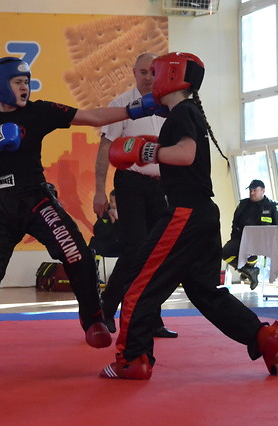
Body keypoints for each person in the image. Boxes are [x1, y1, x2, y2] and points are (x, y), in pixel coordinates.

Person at [0, 56, 165, 374]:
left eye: (27, 82)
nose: (25, 87)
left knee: (77, 253)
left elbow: (92, 116)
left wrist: (134, 110)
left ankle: (93, 319)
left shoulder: (39, 111)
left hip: (36, 199)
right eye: (18, 82)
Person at [98, 52, 278, 380]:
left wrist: (146, 151)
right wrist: (151, 151)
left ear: (171, 76)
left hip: (185, 212)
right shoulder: (188, 112)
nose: (152, 79)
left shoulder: (182, 112)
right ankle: (264, 337)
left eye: (156, 72)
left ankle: (133, 358)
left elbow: (185, 155)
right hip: (203, 214)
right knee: (204, 291)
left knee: (140, 283)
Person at [93, 52, 177, 339]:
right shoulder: (122, 105)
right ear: (134, 73)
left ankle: (151, 318)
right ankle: (106, 309)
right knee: (134, 251)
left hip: (160, 186)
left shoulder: (168, 107)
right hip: (129, 183)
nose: (148, 78)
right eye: (143, 72)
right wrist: (99, 191)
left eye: (153, 72)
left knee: (157, 254)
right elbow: (105, 149)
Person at [222, 179, 278, 290]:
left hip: (263, 242)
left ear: (263, 190)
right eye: (250, 190)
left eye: (255, 190)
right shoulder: (243, 205)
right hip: (242, 239)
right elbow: (235, 224)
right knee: (224, 252)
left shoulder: (272, 206)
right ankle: (248, 271)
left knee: (251, 252)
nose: (252, 193)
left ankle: (248, 270)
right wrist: (233, 239)